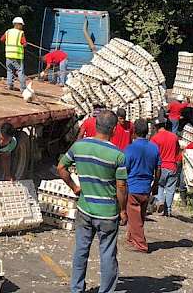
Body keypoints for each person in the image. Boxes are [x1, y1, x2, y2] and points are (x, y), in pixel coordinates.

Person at [57, 110, 127, 293]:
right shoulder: (118, 155)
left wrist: (74, 187)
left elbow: (61, 167)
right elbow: (121, 187)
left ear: (95, 126)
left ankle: (77, 288)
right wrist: (123, 210)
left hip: (85, 209)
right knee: (107, 254)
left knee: (81, 250)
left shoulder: (79, 146)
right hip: (108, 214)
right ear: (114, 129)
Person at [123, 119, 160, 253]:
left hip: (133, 187)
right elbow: (158, 168)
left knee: (135, 219)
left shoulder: (130, 149)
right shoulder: (154, 148)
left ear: (134, 133)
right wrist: (155, 184)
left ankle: (141, 245)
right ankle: (131, 239)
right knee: (139, 217)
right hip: (146, 187)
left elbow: (124, 169)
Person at [151, 125, 181, 217]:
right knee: (170, 189)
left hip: (161, 166)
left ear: (155, 127)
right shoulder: (174, 136)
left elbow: (152, 153)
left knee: (160, 185)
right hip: (172, 166)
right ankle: (168, 210)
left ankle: (160, 201)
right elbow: (178, 151)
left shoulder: (155, 138)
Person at [1, 17, 27, 91]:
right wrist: (25, 44)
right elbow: (24, 44)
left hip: (8, 55)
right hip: (17, 56)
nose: (22, 26)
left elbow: (2, 39)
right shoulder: (20, 33)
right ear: (18, 24)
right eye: (21, 25)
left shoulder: (8, 32)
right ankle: (23, 88)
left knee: (9, 70)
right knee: (20, 71)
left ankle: (10, 85)